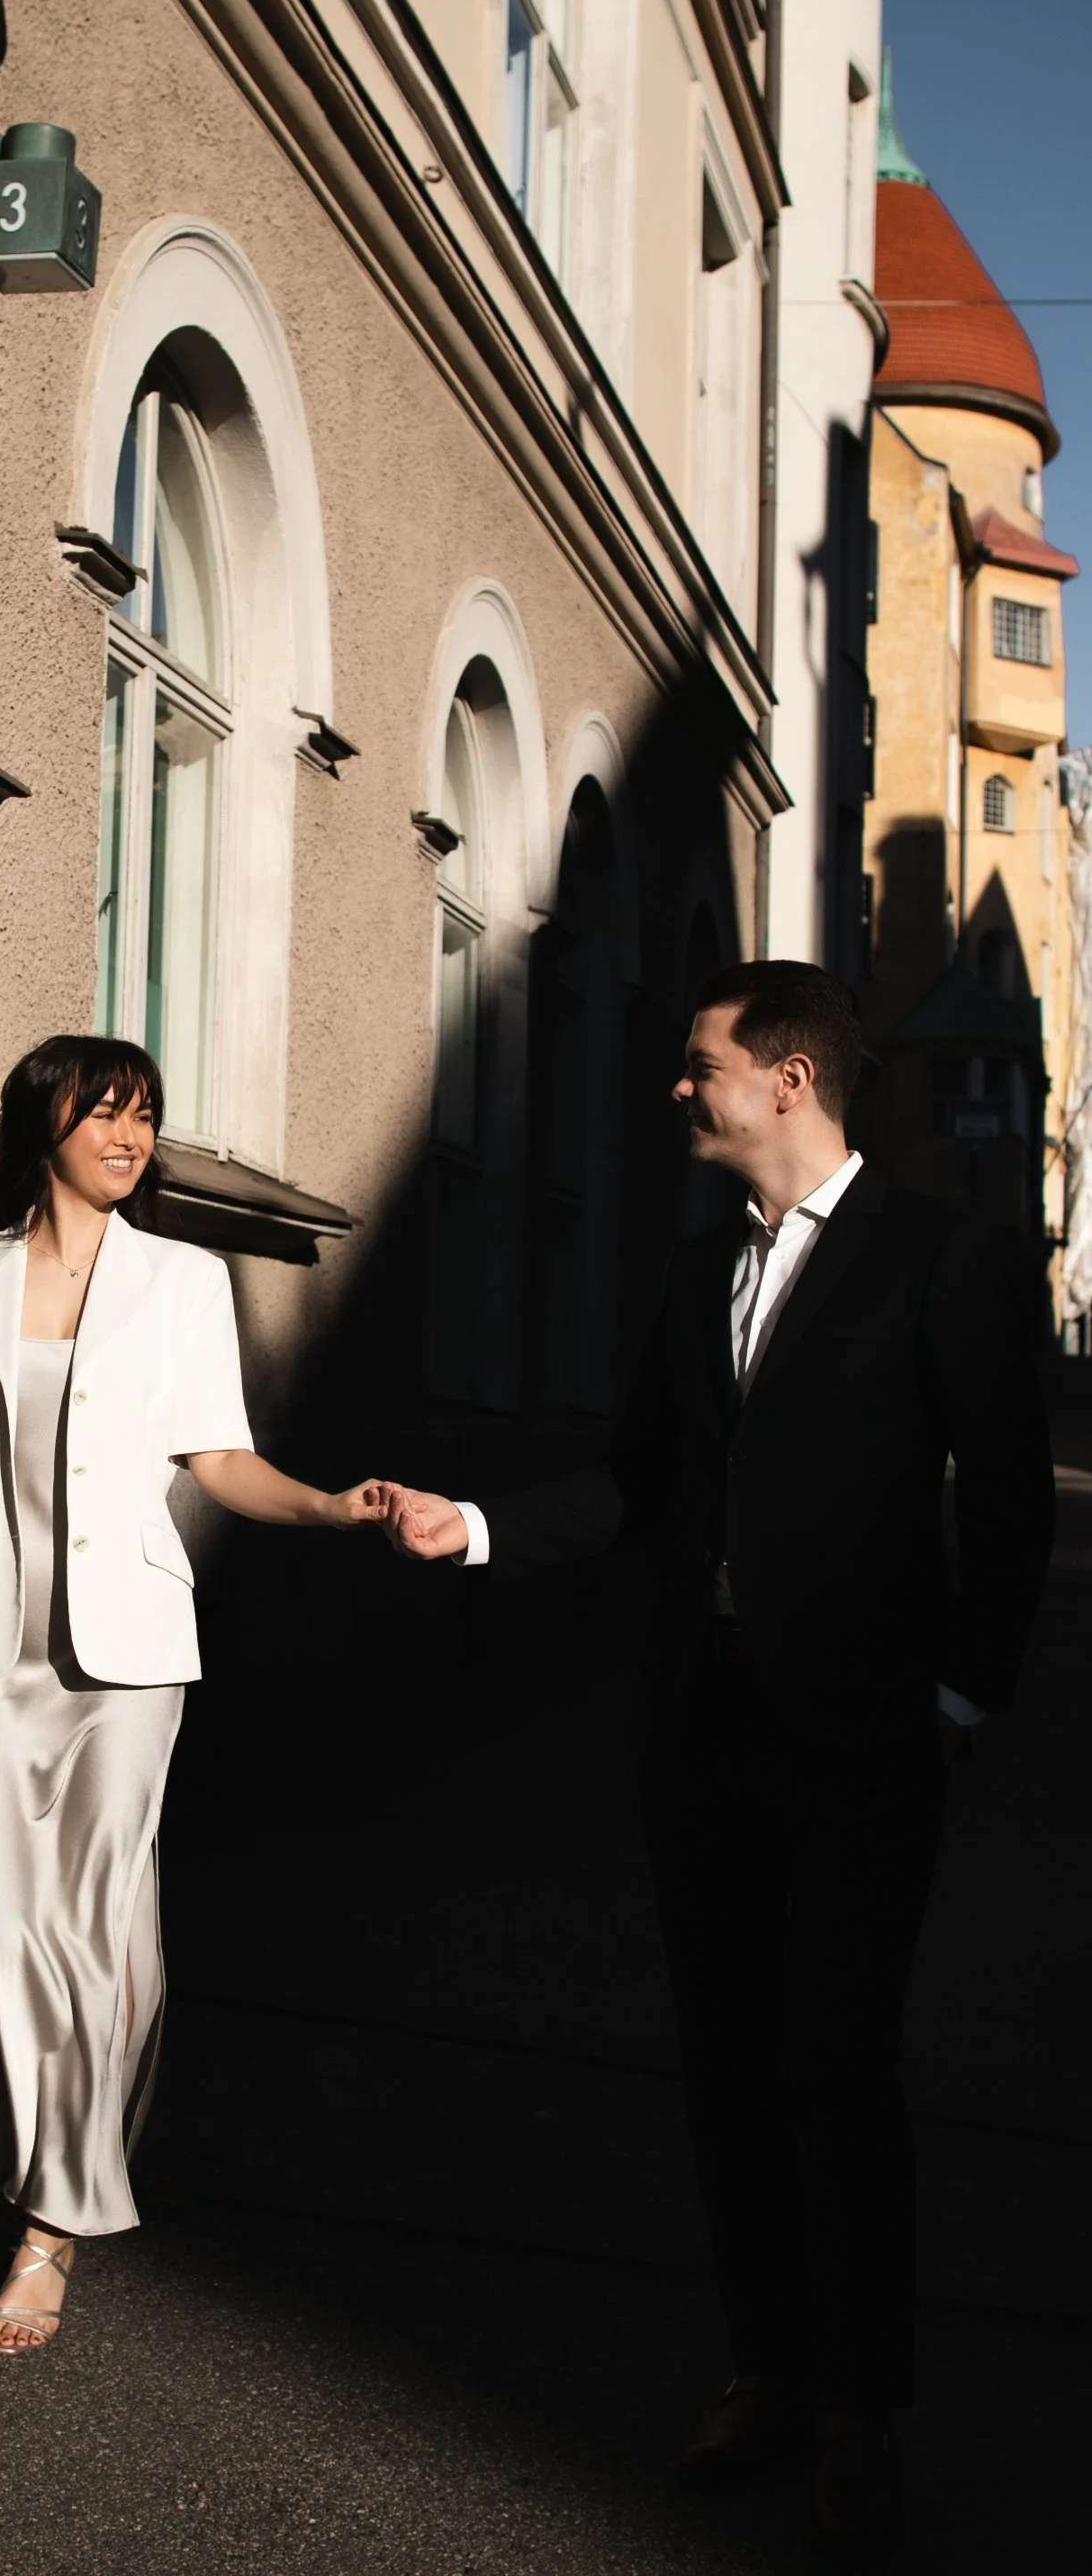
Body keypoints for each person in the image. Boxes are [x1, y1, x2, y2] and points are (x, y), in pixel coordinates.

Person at [382, 961, 1053, 2560]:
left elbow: (1010, 1494)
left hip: (866, 1738)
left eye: (701, 1068)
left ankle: (863, 2408)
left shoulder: (936, 1254)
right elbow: (640, 1493)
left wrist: (959, 1701)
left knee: (840, 2068)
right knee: (730, 2071)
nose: (678, 1090)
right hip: (704, 1732)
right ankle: (770, 2366)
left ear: (792, 1080)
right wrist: (473, 1527)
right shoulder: (702, 1280)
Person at [0, 1035, 389, 2355]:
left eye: (146, 1116)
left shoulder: (183, 1282)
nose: (132, 1137)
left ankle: (53, 2219)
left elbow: (219, 1456)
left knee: (102, 1927)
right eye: (107, 1113)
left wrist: (323, 1505)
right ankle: (41, 2137)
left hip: (127, 1648)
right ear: (48, 1127)